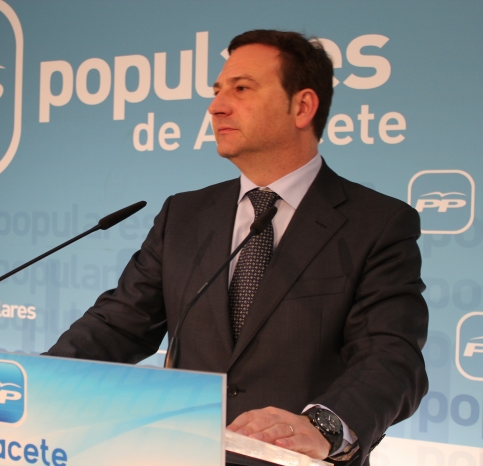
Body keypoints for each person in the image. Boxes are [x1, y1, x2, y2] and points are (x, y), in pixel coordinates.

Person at [46, 29, 428, 465]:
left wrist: (322, 426)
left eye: (242, 88)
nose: (216, 106)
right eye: (217, 91)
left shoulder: (376, 223)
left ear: (302, 106)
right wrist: (34, 382)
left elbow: (391, 356)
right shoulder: (184, 214)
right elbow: (119, 326)